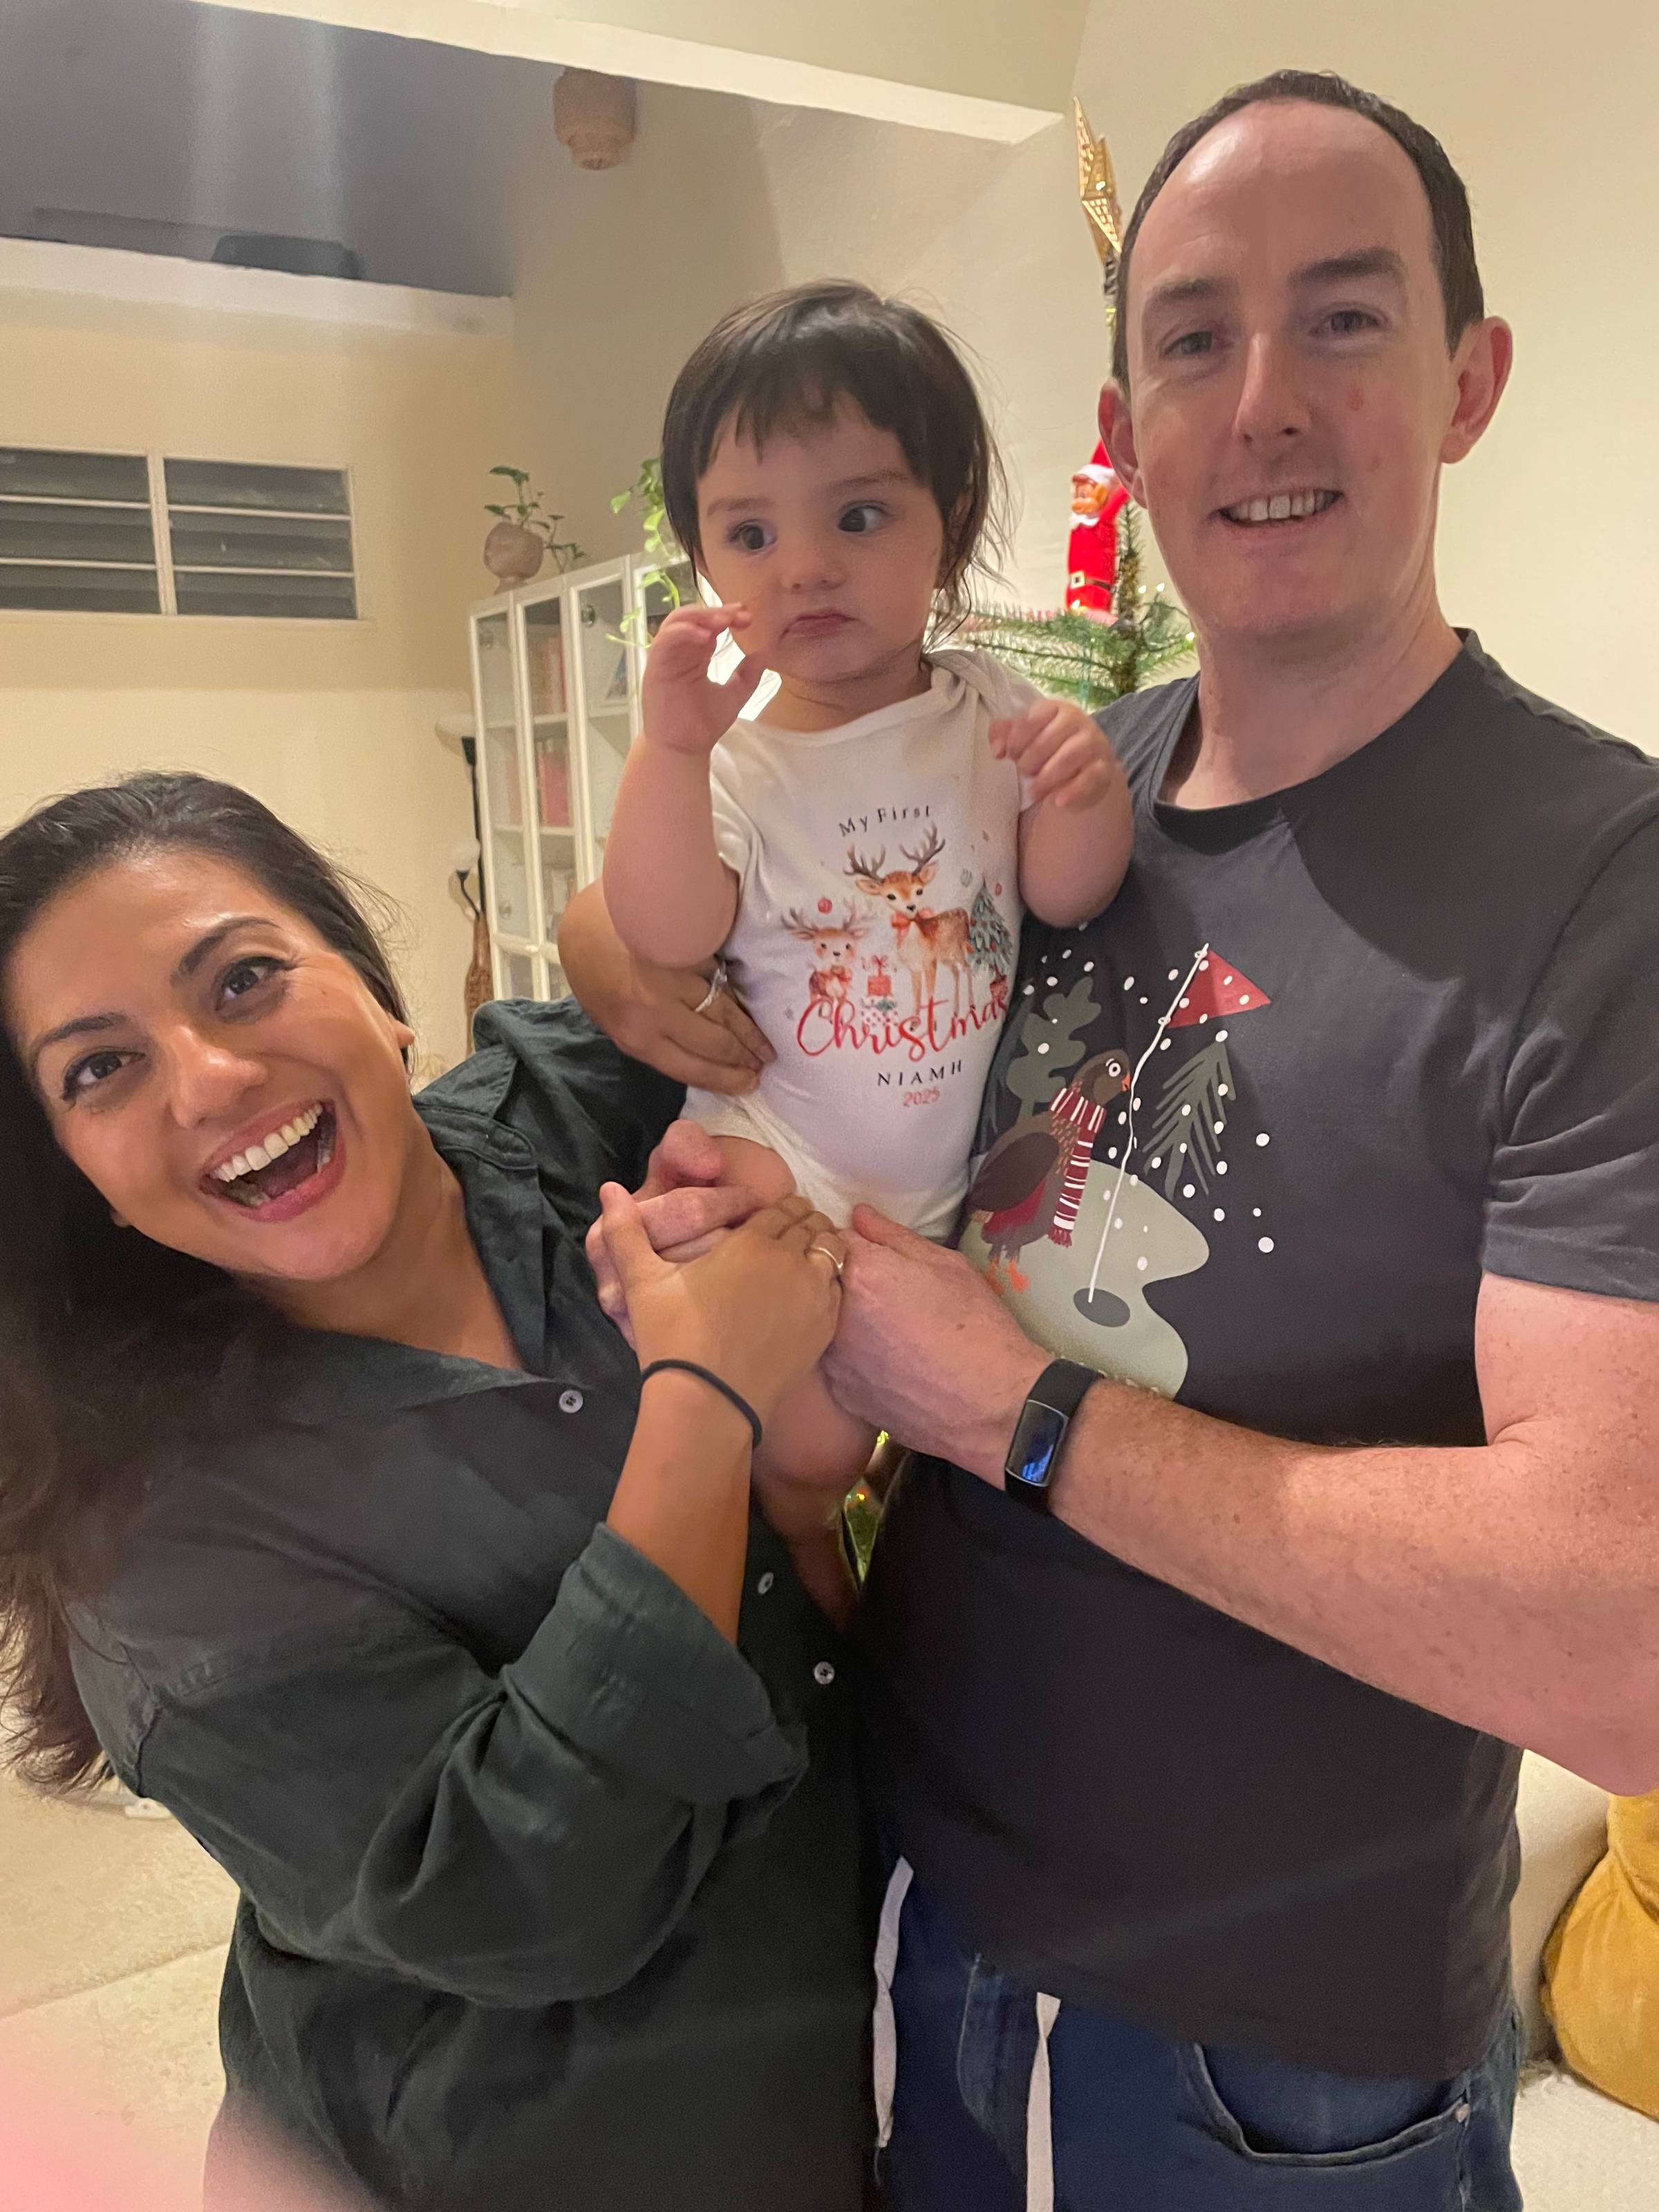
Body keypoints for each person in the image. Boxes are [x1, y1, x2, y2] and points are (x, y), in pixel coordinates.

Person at [561, 68, 1659, 2212]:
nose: (1260, 403)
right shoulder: (1056, 775)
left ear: (1469, 379)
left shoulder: (1600, 888)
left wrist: (1015, 1409)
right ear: (1124, 424)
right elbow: (783, 920)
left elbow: (1619, 1649)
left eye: (1344, 317)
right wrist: (620, 949)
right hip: (916, 1893)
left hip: (1265, 2055)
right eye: (1192, 338)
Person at [0, 771, 875, 2212]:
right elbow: (536, 1893)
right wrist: (705, 1401)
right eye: (99, 1069)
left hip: (865, 2070)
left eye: (244, 979)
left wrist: (609, 932)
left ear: (374, 989)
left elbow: (795, 935)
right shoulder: (155, 1555)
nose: (208, 1079)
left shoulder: (559, 1113)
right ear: (76, 1172)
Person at [599, 281, 1132, 1483]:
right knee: (809, 1445)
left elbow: (1066, 895)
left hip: (952, 1182)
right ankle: (804, 1542)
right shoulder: (732, 757)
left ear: (949, 520)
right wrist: (669, 753)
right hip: (780, 1152)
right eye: (750, 536)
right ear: (702, 556)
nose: (805, 567)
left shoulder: (992, 708)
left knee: (928, 1416)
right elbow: (665, 930)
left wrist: (1086, 792)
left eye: (858, 516)